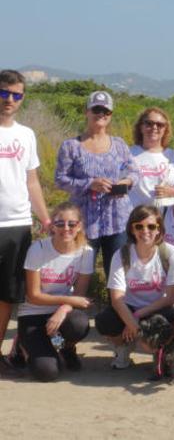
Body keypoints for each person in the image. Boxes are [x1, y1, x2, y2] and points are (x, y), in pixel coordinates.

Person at [0, 69, 52, 376]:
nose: (9, 100)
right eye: (4, 93)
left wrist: (44, 217)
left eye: (16, 95)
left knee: (8, 293)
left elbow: (32, 180)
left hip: (17, 223)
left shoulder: (26, 135)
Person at [55, 90, 137, 280]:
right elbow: (60, 179)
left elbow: (134, 172)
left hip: (117, 221)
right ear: (87, 111)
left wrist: (126, 182)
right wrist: (89, 184)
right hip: (83, 222)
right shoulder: (71, 146)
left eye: (106, 111)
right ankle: (75, 308)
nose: (101, 114)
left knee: (118, 276)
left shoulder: (119, 144)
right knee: (77, 275)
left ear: (110, 115)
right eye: (97, 109)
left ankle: (116, 309)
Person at [95, 205, 174, 370]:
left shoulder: (171, 254)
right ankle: (123, 348)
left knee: (164, 327)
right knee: (105, 320)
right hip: (129, 307)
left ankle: (159, 350)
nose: (145, 231)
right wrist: (135, 327)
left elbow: (171, 298)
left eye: (151, 226)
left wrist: (137, 317)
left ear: (159, 229)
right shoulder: (122, 254)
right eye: (139, 226)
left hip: (161, 308)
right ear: (132, 229)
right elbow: (117, 299)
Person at [16, 203, 94, 381]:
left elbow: (79, 295)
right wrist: (67, 302)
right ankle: (21, 345)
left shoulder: (86, 252)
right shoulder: (38, 249)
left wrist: (62, 309)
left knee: (79, 323)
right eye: (60, 224)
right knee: (47, 373)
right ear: (52, 226)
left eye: (71, 224)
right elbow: (33, 295)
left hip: (61, 312)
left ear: (79, 226)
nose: (66, 229)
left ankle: (67, 348)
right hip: (33, 313)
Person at [128, 107, 174, 208]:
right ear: (141, 127)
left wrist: (173, 191)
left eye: (160, 125)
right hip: (137, 217)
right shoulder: (128, 153)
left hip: (167, 217)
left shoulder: (173, 156)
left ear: (165, 130)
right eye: (149, 123)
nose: (154, 127)